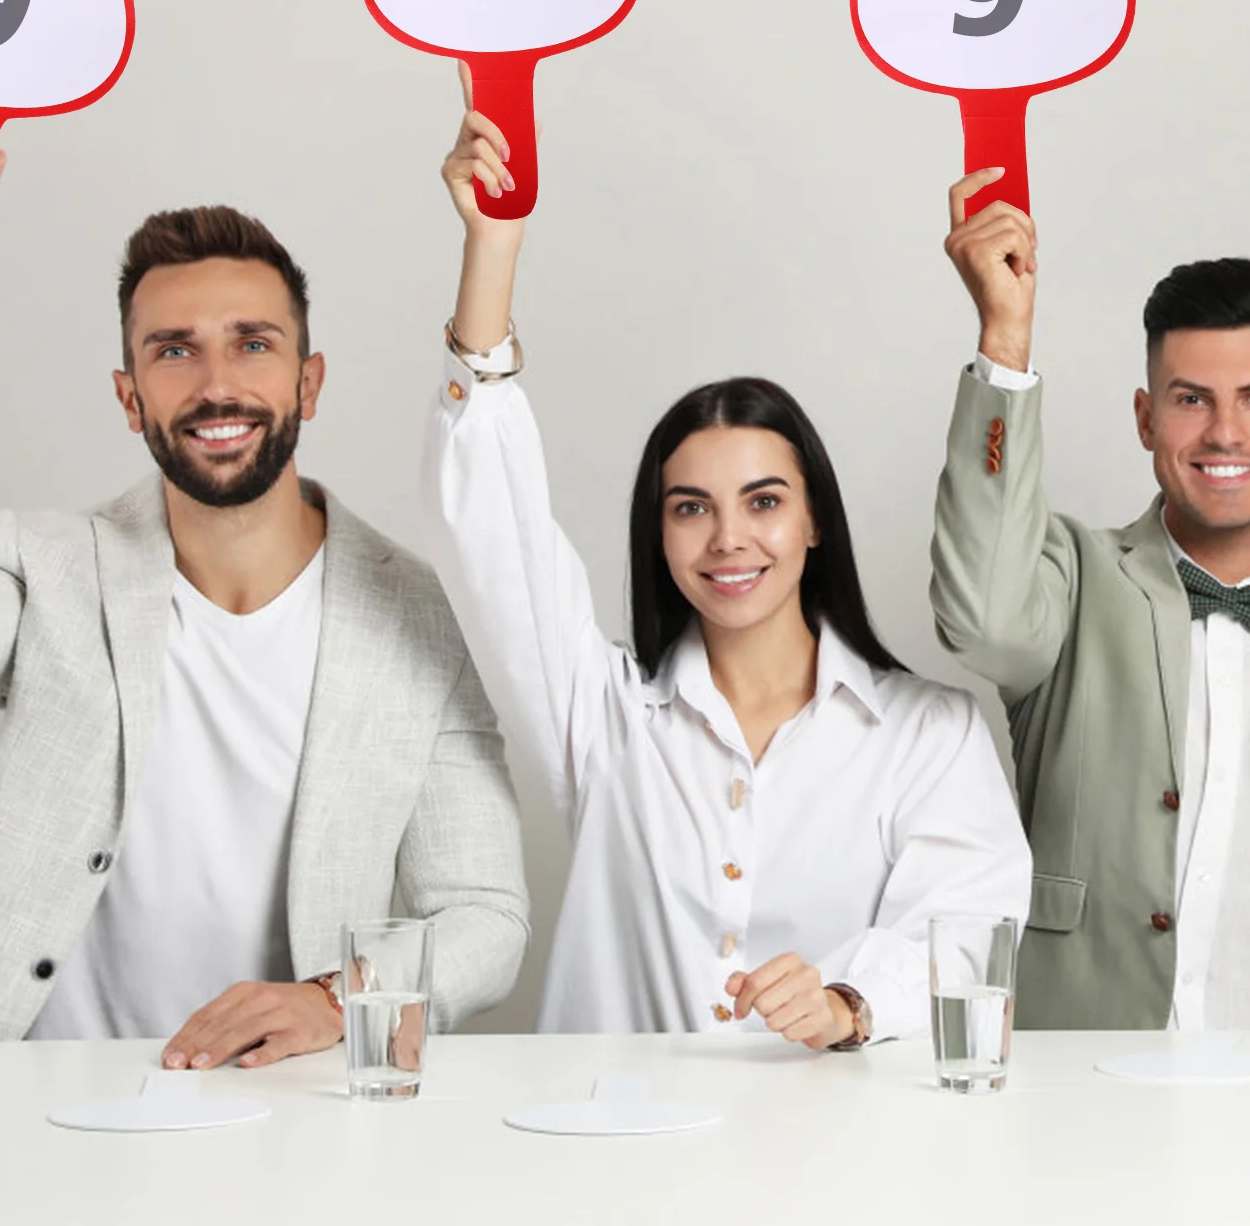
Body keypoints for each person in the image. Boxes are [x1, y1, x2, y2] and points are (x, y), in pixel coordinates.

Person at [0, 147, 528, 1068]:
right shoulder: (52, 566)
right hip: (23, 1106)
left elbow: (484, 915)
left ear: (308, 382)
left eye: (252, 343)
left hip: (289, 1112)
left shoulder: (421, 615)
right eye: (173, 350)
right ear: (129, 397)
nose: (216, 383)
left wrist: (337, 999)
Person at [420, 71, 1029, 1046]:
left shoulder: (929, 734)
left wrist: (847, 1002)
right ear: (658, 537)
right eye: (689, 507)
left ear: (815, 521)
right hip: (618, 1170)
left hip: (833, 1174)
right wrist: (491, 246)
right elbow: (485, 526)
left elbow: (963, 933)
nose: (727, 538)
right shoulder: (605, 718)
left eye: (763, 501)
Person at [932, 168, 1250, 1029]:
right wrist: (1005, 337)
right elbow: (980, 616)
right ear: (1147, 419)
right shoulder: (1071, 577)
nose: (1225, 432)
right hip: (1079, 1084)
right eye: (1193, 400)